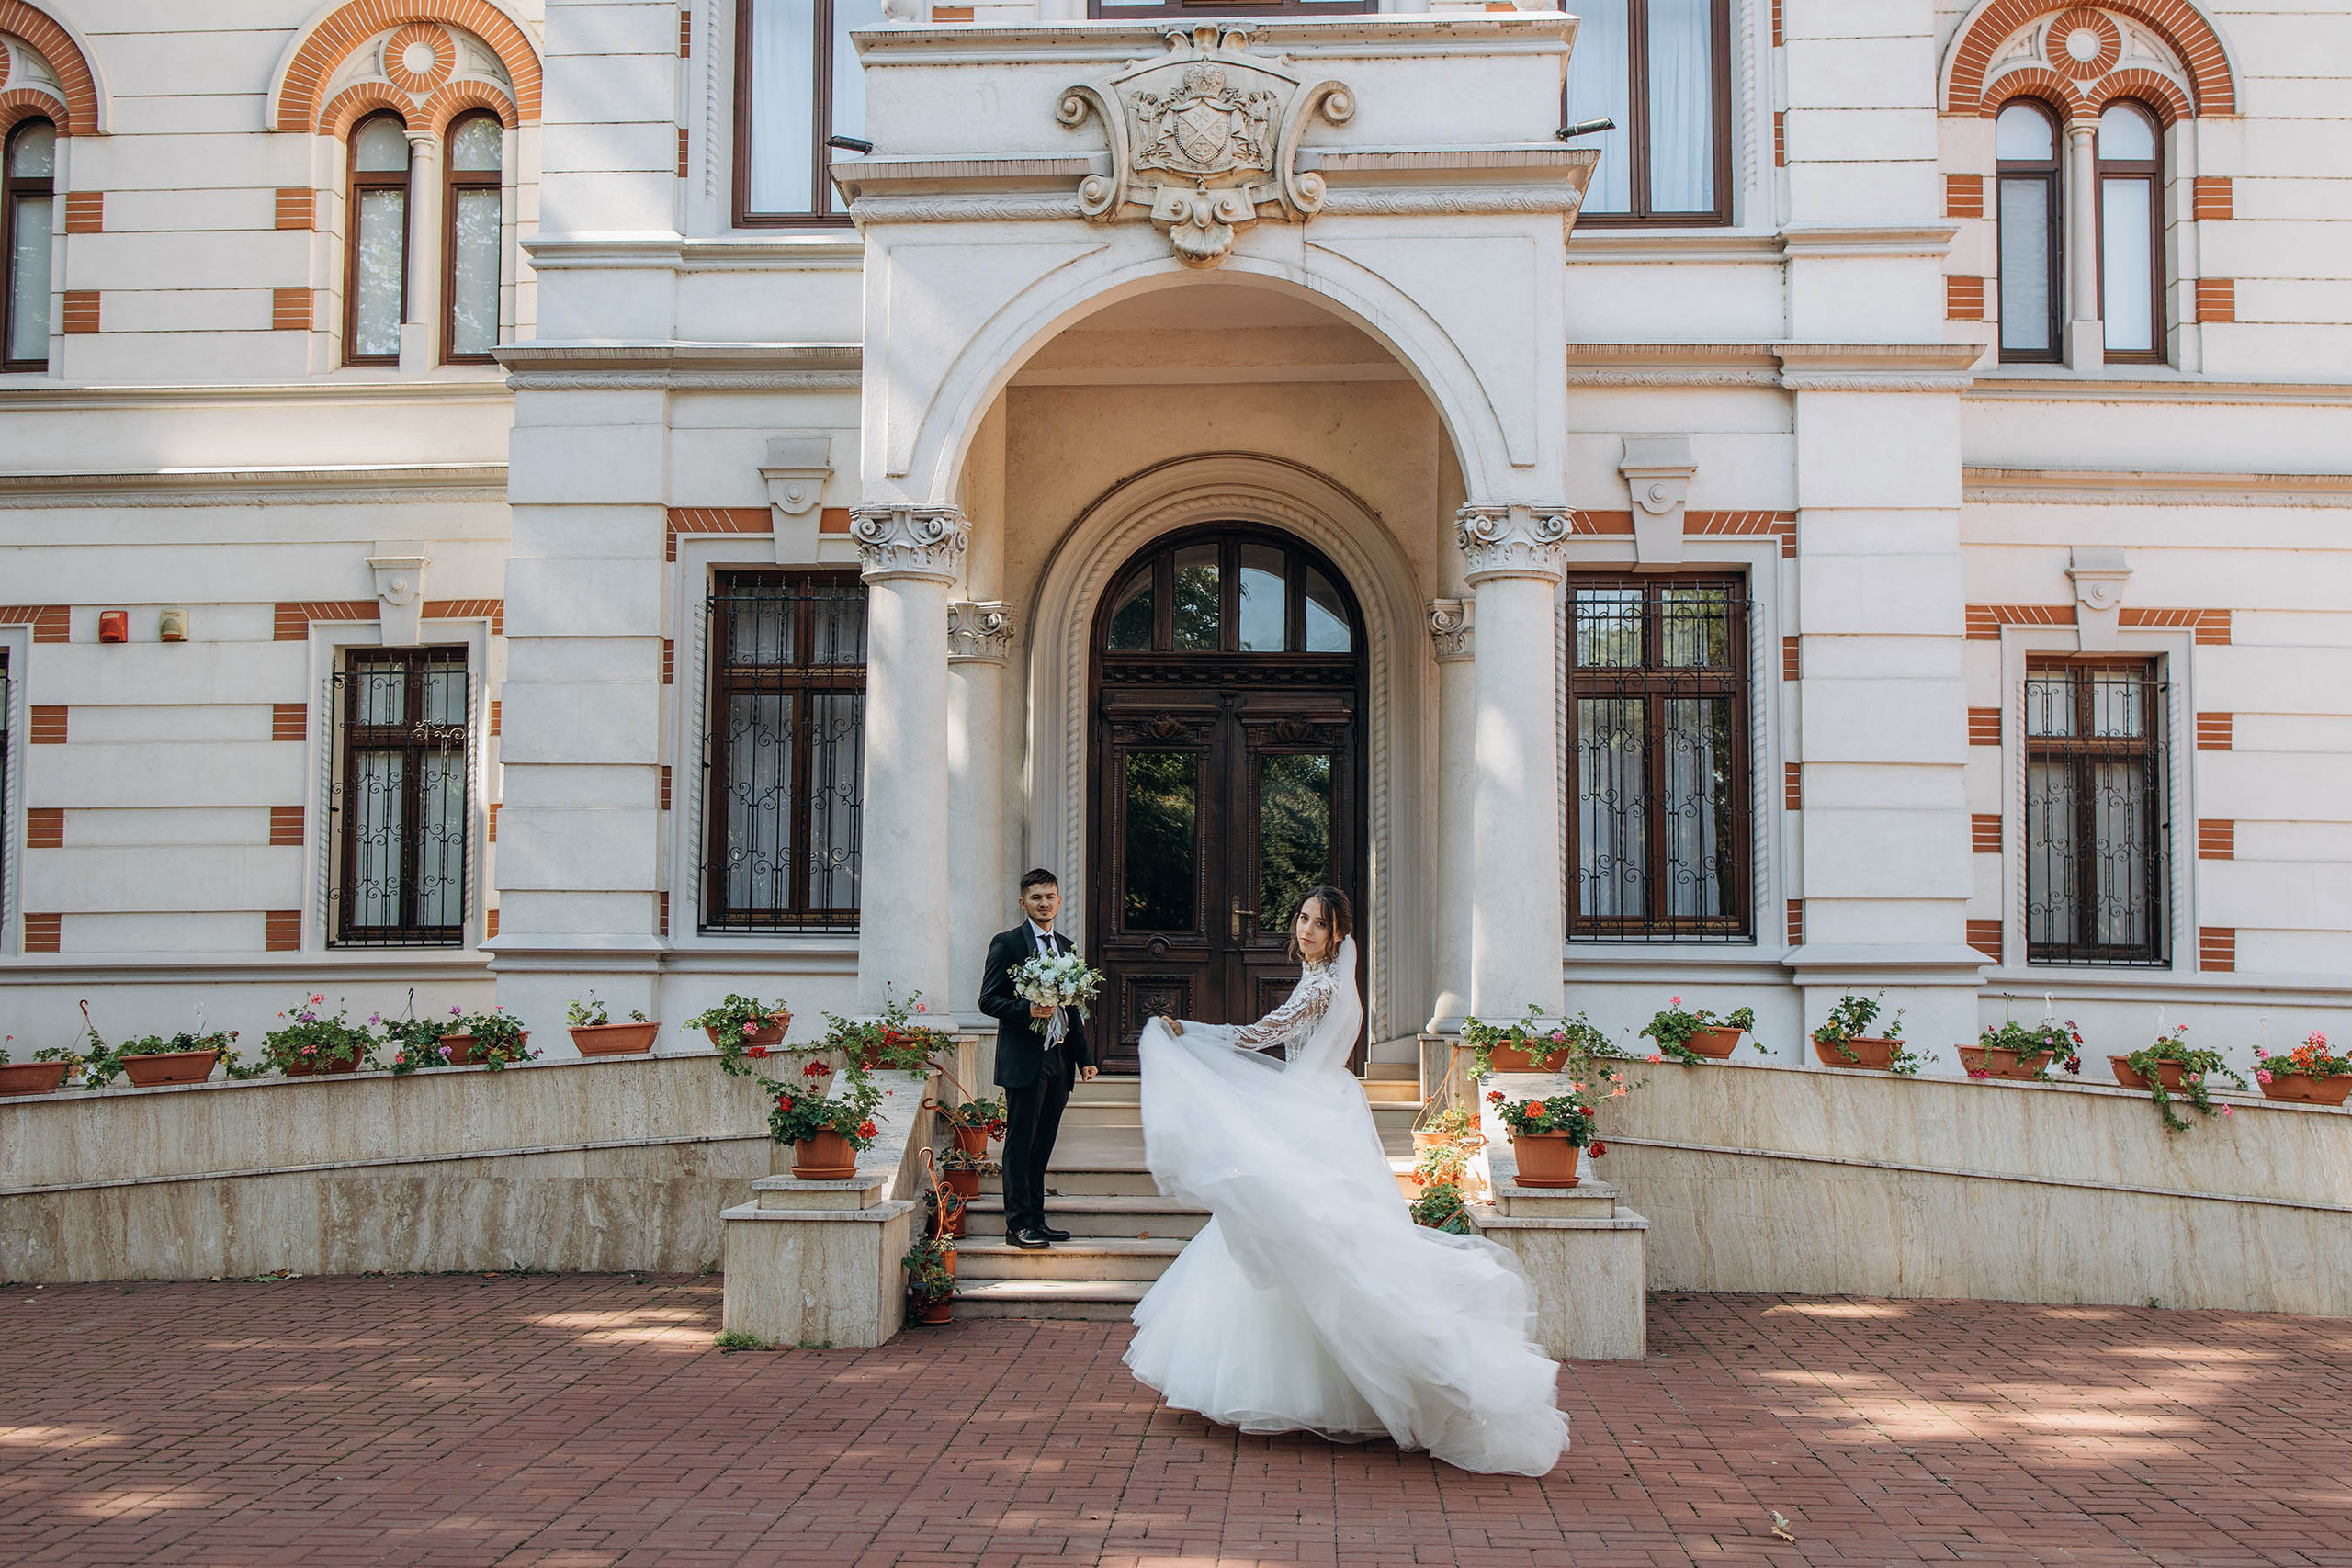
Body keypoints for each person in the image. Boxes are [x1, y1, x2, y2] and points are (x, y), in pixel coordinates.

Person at [1125, 886, 1569, 1476]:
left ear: (1338, 935)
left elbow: (1259, 1034)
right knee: (1295, 1234)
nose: (1306, 929)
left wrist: (1191, 1032)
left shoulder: (1323, 988)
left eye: (1319, 923)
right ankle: (1299, 1381)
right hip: (1323, 1108)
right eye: (1303, 918)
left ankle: (1380, 1374)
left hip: (1314, 1117)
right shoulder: (1327, 983)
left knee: (1309, 1238)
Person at [978, 868, 1097, 1251]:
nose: (1044, 903)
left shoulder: (1067, 947)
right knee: (1020, 1144)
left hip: (1059, 1061)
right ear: (1023, 903)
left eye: (1049, 897)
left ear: (1059, 900)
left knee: (1043, 1143)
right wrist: (1027, 1009)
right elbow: (988, 1000)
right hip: (1025, 1060)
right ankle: (1017, 1225)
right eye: (1036, 898)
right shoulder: (1007, 943)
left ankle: (1037, 1220)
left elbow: (1074, 1007)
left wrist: (1084, 1058)